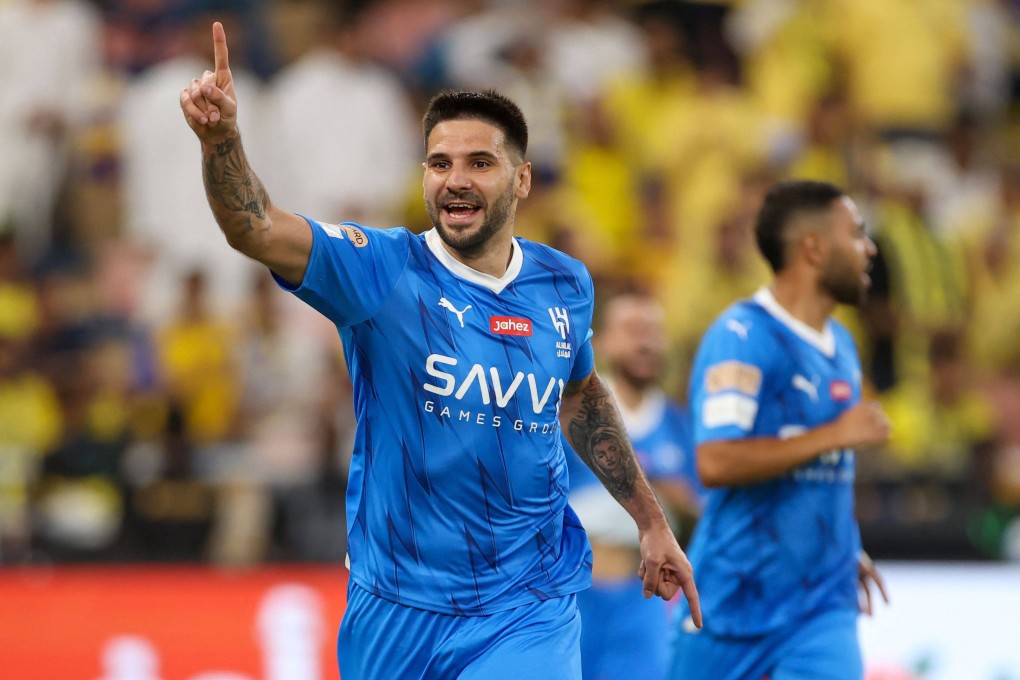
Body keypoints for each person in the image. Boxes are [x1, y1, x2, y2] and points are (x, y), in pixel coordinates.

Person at [179, 22, 700, 680]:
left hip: (528, 604)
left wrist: (651, 521)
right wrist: (222, 141)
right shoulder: (380, 270)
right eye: (440, 163)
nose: (456, 180)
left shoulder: (566, 285)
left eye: (480, 163)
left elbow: (580, 394)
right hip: (395, 607)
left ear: (522, 180)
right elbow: (254, 227)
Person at [669, 180, 890, 680]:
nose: (869, 248)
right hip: (733, 601)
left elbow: (820, 474)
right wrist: (834, 435)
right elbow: (716, 460)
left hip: (821, 604)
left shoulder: (843, 345)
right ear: (813, 248)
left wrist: (843, 543)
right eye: (856, 234)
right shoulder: (742, 337)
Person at [566, 291, 705, 680]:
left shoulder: (680, 426)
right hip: (569, 595)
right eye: (632, 330)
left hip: (640, 599)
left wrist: (679, 500)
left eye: (653, 331)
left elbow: (705, 514)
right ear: (604, 340)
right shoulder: (569, 415)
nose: (644, 341)